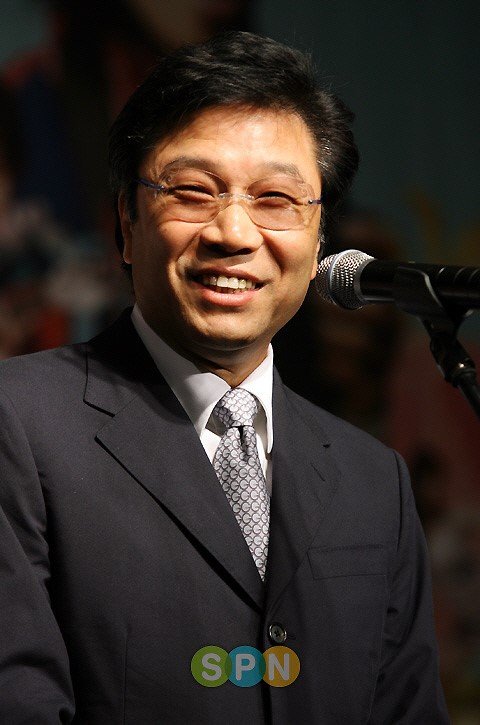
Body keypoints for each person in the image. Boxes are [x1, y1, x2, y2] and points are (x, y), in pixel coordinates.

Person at [0, 32, 449, 723]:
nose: (233, 232)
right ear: (126, 222)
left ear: (320, 243)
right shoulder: (20, 423)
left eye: (277, 198)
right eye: (193, 191)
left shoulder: (372, 479)